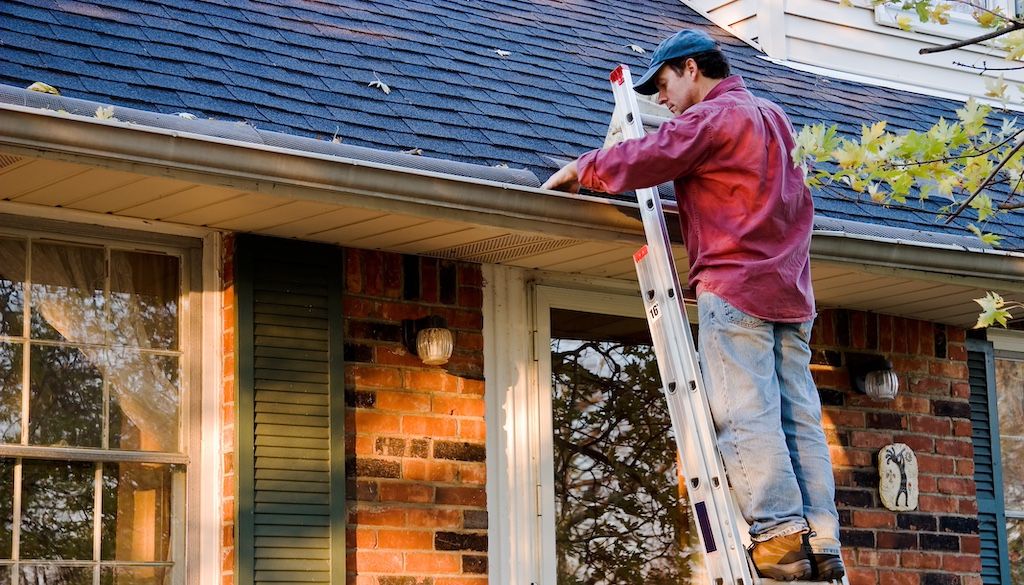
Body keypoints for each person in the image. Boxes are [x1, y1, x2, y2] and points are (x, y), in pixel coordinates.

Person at [542, 29, 845, 582]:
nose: (660, 101)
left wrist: (584, 168)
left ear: (690, 69)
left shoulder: (715, 117)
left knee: (746, 414)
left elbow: (655, 153)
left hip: (736, 291)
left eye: (662, 84)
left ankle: (778, 537)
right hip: (791, 293)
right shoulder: (775, 118)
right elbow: (780, 207)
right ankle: (821, 539)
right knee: (798, 417)